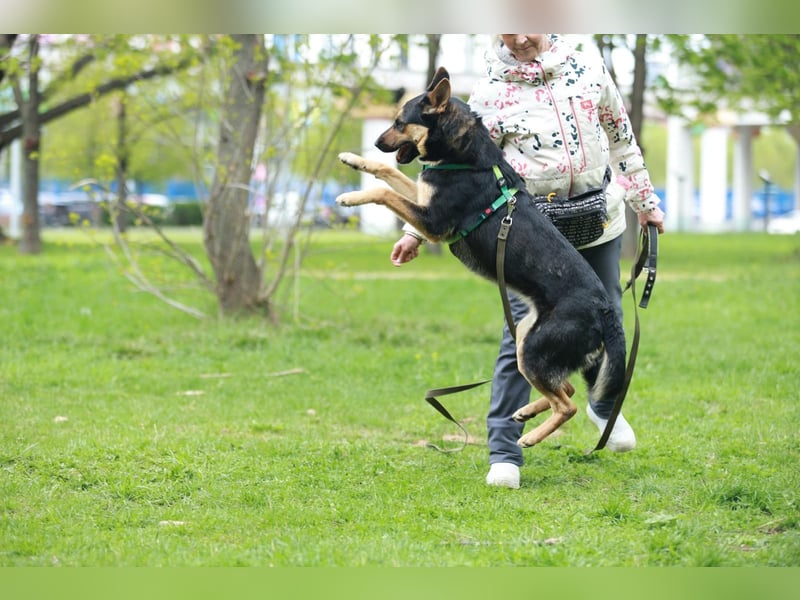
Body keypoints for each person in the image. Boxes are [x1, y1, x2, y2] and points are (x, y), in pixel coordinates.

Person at [391, 34, 665, 489]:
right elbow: (457, 168)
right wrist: (414, 230)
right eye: (508, 28)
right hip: (529, 231)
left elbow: (621, 139)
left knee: (603, 317)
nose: (519, 37)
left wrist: (646, 202)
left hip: (599, 219)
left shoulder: (588, 66)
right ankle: (504, 452)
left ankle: (604, 407)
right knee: (520, 339)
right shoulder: (490, 91)